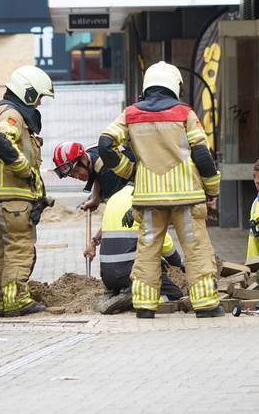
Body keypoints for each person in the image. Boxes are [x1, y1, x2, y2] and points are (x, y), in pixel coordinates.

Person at [99, 61, 223, 319]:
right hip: (186, 197)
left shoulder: (130, 114)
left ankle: (144, 307)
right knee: (196, 249)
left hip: (148, 199)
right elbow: (202, 153)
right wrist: (212, 188)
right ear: (174, 85)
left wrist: (129, 171)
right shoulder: (184, 113)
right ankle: (205, 306)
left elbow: (104, 144)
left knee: (147, 250)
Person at [0, 65, 55, 317]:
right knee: (20, 246)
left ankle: (0, 301)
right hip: (14, 199)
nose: (39, 105)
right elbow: (3, 141)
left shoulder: (1, 112)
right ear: (27, 93)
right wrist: (26, 171)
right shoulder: (11, 115)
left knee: (3, 248)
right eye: (38, 98)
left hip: (2, 198)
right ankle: (16, 300)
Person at [86, 184, 185, 314]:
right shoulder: (144, 199)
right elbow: (164, 242)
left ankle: (116, 293)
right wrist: (179, 262)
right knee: (174, 293)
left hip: (108, 276)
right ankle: (132, 298)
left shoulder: (113, 199)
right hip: (130, 274)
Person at [52, 140, 135, 211]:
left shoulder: (107, 171)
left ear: (83, 158)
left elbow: (113, 212)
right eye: (72, 175)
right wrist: (95, 199)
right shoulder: (90, 153)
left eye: (76, 171)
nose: (77, 176)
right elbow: (95, 171)